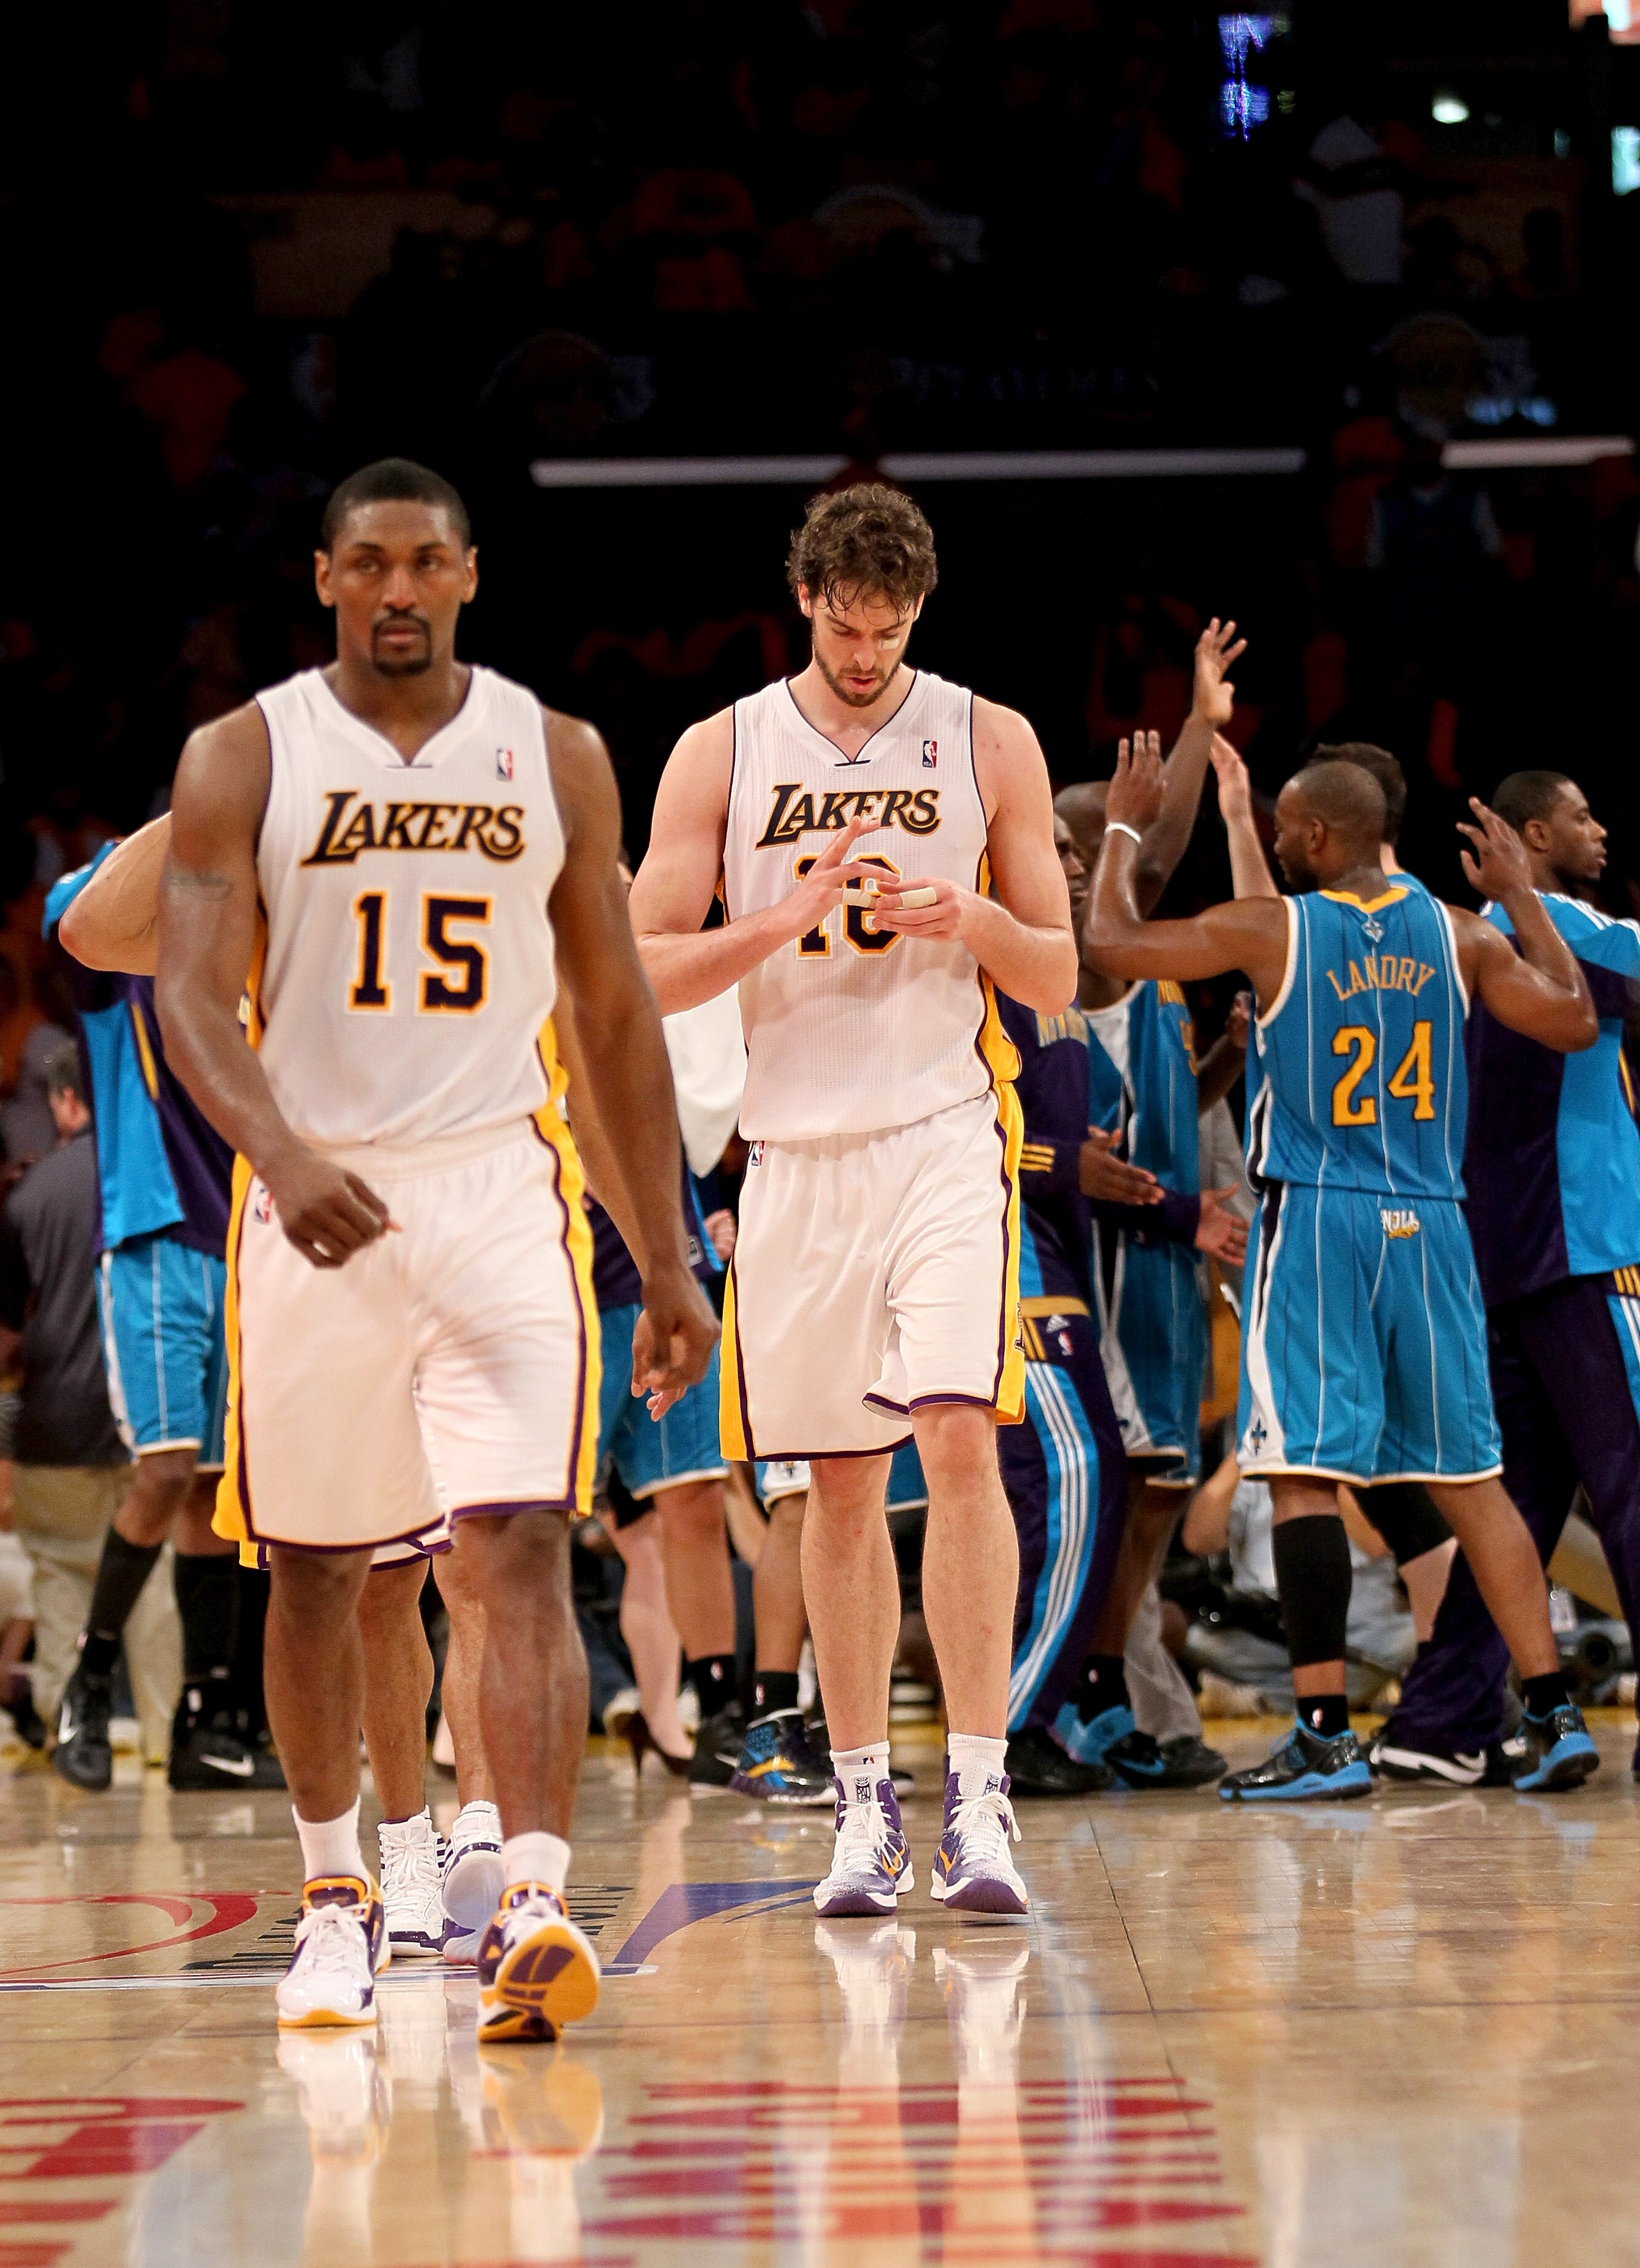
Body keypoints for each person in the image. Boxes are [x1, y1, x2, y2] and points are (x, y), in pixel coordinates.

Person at [153, 456, 717, 2035]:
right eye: (369, 563)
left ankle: (530, 1902)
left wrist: (663, 1254)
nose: (398, 587)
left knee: (516, 1541)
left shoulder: (558, 752)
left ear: (470, 574)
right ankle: (337, 1893)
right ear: (325, 579)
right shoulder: (243, 752)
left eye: (426, 562)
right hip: (317, 1194)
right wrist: (279, 1149)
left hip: (495, 1190)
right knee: (321, 1568)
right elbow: (190, 992)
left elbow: (611, 1015)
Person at [629, 483, 1077, 1917]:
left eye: (891, 631)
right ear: (807, 600)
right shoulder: (722, 747)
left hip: (943, 1131)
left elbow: (1060, 977)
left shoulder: (985, 734)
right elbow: (642, 966)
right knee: (835, 1485)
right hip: (794, 1152)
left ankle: (980, 1796)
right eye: (848, 626)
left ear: (915, 614)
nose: (869, 652)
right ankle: (862, 1803)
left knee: (956, 1441)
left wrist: (969, 917)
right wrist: (776, 913)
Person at [1084, 739, 1601, 1799]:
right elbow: (1572, 1015)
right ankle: (1550, 1716)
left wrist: (1126, 826)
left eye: (1279, 830)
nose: (1272, 843)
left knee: (1297, 1475)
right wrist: (1517, 896)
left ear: (1316, 837)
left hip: (1319, 1220)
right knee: (1471, 1481)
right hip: (1433, 1223)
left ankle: (1321, 1734)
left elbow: (1108, 939)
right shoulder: (1454, 933)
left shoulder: (1272, 927)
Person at [1373, 770, 1640, 1783]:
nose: (1599, 827)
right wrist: (1530, 893)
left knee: (1516, 1501)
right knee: (1623, 1477)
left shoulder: (1440, 947)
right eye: (1580, 814)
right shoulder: (1556, 925)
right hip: (1581, 1247)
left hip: (1492, 1254)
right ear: (1532, 833)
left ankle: (1436, 1717)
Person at [1050, 623, 1250, 1789]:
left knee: (1156, 1488)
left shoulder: (1159, 969)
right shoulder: (1081, 953)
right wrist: (1188, 741)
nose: (1091, 865)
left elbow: (1165, 1118)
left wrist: (1215, 1065)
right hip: (1112, 1269)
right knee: (1127, 1492)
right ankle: (1085, 1693)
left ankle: (1109, 1687)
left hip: (1165, 1271)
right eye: (1074, 847)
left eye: (1092, 846)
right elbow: (1153, 854)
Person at [47, 853, 267, 1793]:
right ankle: (87, 1685)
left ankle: (204, 1720)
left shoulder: (259, 947)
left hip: (247, 1234)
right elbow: (71, 911)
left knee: (216, 1489)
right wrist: (187, 812)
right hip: (155, 1231)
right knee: (167, 1465)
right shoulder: (122, 958)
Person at [2, 1047, 181, 1764]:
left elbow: (8, 1336)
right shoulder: (163, 1181)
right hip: (151, 1420)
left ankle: (71, 1740)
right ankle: (170, 1739)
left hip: (55, 1425)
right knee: (155, 1582)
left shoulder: (27, 1196)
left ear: (69, 1102)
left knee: (62, 1578)